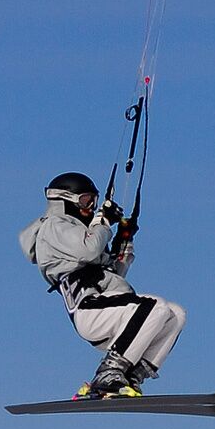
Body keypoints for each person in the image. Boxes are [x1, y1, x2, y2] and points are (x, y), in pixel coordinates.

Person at [19, 170, 184, 396]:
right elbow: (89, 250)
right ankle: (108, 374)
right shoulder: (54, 226)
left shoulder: (80, 236)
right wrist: (103, 222)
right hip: (88, 309)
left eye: (93, 201)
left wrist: (124, 239)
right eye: (86, 201)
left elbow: (113, 274)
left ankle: (130, 374)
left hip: (107, 308)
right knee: (153, 307)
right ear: (65, 200)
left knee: (174, 313)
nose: (90, 207)